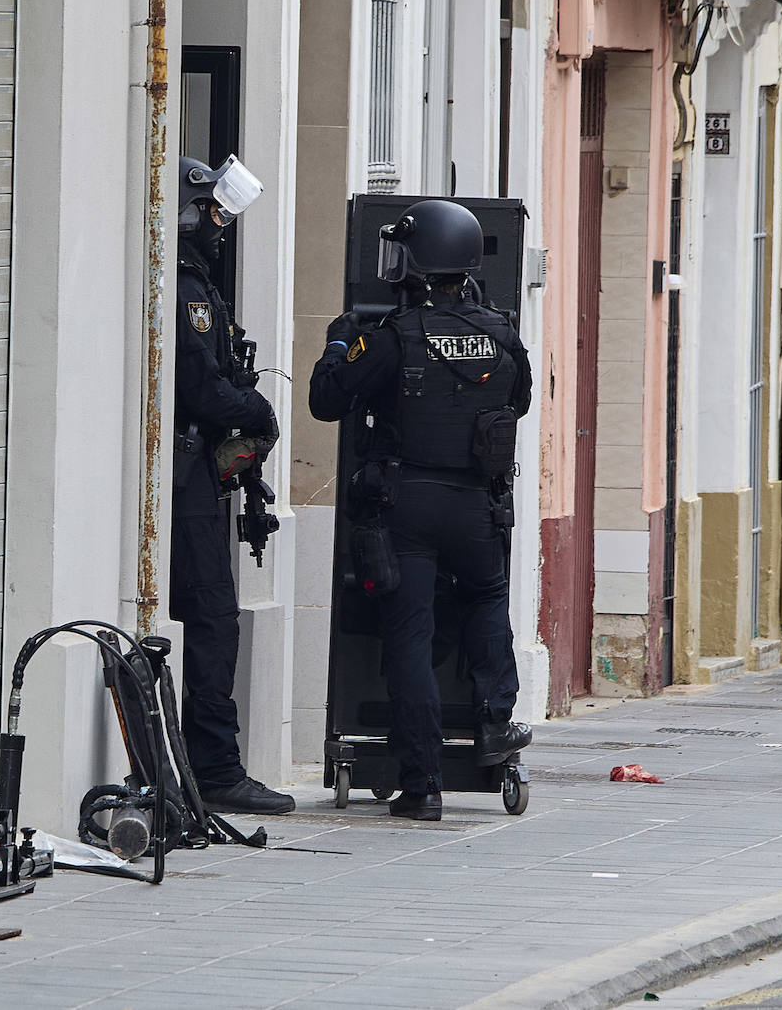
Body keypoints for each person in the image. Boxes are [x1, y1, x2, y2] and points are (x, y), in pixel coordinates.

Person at [309, 199, 534, 821]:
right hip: (476, 507)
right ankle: (494, 728)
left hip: (405, 504)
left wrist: (338, 344)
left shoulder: (392, 338)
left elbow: (327, 402)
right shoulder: (501, 332)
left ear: (414, 261)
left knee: (409, 636)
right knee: (488, 605)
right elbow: (519, 399)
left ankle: (423, 781)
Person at [172, 154, 294, 815]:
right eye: (215, 212)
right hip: (187, 478)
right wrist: (253, 412)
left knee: (211, 618)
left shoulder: (196, 281)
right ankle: (214, 767)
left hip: (196, 477)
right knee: (213, 620)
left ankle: (206, 762)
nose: (221, 225)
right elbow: (198, 383)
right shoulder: (186, 288)